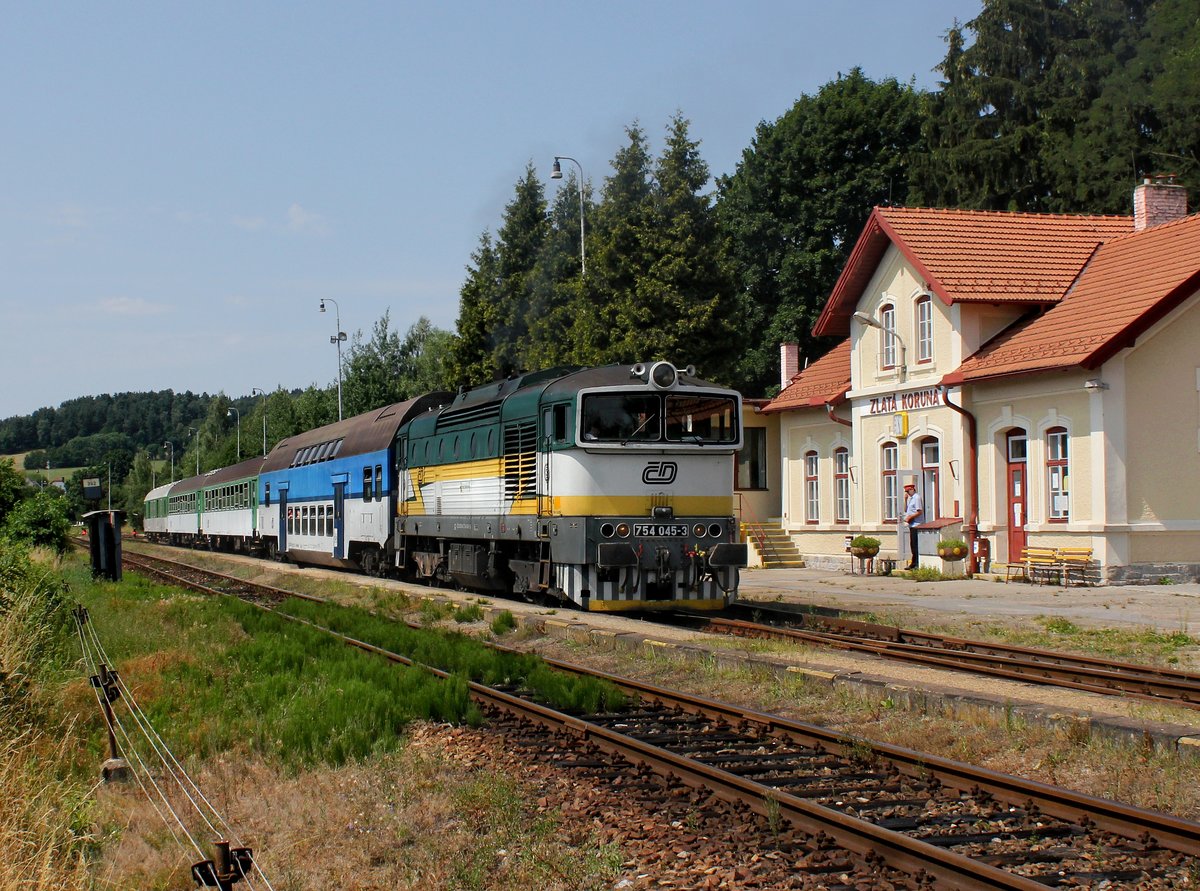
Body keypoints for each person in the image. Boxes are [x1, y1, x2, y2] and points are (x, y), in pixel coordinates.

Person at [903, 482, 923, 570]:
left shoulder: (917, 498)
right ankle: (913, 562)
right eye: (906, 492)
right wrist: (905, 500)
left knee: (915, 545)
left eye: (908, 491)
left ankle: (916, 563)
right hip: (911, 524)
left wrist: (910, 517)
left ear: (912, 489)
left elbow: (919, 512)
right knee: (912, 544)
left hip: (916, 524)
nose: (907, 493)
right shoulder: (910, 498)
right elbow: (906, 510)